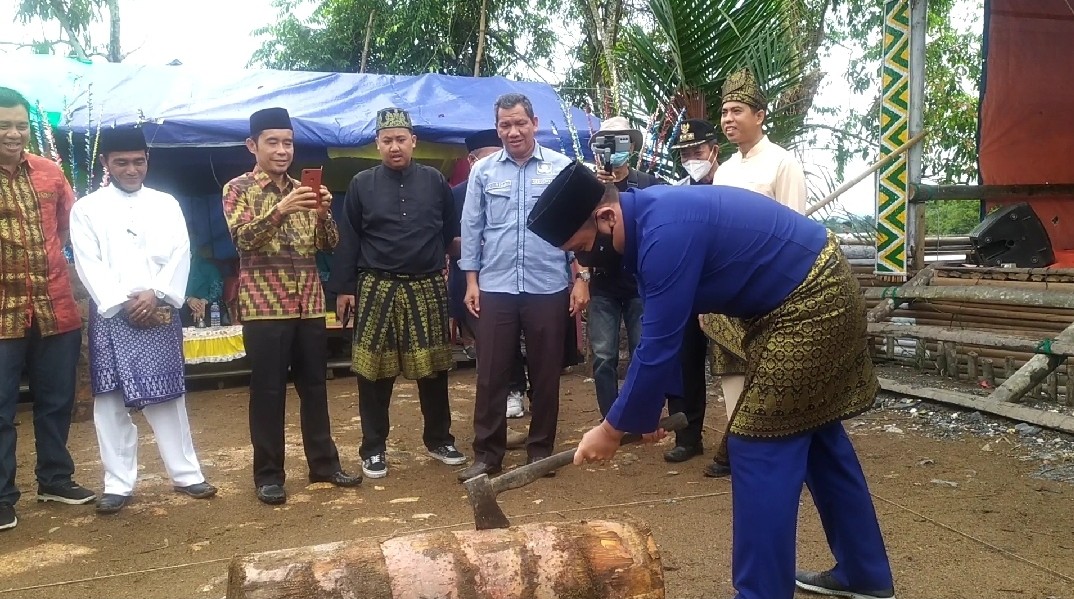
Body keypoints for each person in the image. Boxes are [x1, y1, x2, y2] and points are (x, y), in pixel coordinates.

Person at [529, 163, 895, 599]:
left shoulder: (664, 232)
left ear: (607, 218)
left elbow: (658, 343)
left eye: (583, 247)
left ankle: (761, 593)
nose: (583, 261)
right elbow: (670, 331)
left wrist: (612, 428)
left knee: (757, 445)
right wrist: (642, 414)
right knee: (816, 438)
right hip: (797, 300)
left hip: (810, 305)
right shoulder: (651, 221)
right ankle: (864, 573)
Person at [70, 126, 217, 514]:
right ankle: (117, 484)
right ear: (106, 163)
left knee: (168, 396)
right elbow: (88, 263)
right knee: (110, 401)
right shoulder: (87, 208)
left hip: (159, 309)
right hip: (112, 314)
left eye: (138, 161)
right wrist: (121, 301)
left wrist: (156, 293)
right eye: (121, 162)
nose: (131, 169)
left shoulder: (165, 203)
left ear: (147, 160)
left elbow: (180, 252)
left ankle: (186, 475)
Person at [223, 107, 360, 505]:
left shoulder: (305, 188)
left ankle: (324, 464)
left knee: (315, 388)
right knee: (267, 392)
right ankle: (268, 474)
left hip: (310, 305)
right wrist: (281, 210)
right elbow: (243, 240)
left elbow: (329, 245)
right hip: (265, 307)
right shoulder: (238, 189)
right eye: (273, 142)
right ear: (253, 145)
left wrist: (322, 212)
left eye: (288, 142)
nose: (283, 151)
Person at [455, 93, 590, 482]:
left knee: (546, 372)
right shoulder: (482, 173)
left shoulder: (562, 168)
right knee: (492, 373)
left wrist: (579, 279)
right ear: (497, 128)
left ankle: (540, 451)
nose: (512, 132)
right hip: (495, 285)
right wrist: (471, 282)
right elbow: (472, 230)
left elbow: (577, 229)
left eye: (519, 123)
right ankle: (487, 456)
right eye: (504, 125)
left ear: (534, 123)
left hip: (547, 284)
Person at [332, 108, 466, 480]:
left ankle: (439, 440)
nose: (394, 147)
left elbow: (448, 234)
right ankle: (373, 448)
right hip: (377, 285)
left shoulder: (435, 182)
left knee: (434, 369)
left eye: (401, 139)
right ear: (377, 143)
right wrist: (344, 288)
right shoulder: (361, 183)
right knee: (373, 374)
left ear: (413, 142)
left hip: (426, 285)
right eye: (387, 140)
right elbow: (350, 238)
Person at [704, 67, 809, 478]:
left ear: (760, 115)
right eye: (725, 112)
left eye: (737, 110)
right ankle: (742, 449)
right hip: (730, 291)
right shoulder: (725, 171)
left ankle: (783, 457)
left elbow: (798, 233)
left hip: (771, 290)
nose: (728, 118)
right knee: (733, 370)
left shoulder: (782, 164)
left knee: (775, 374)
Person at [0, 87, 95, 531]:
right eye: (4, 125)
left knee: (56, 400)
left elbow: (70, 229)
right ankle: (2, 496)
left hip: (55, 305)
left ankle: (55, 478)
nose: (14, 133)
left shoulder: (51, 173)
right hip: (2, 312)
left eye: (20, 124)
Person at [448, 129, 528, 448]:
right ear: (472, 160)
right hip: (470, 280)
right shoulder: (455, 195)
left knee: (508, 342)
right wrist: (471, 245)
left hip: (510, 279)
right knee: (486, 345)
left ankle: (515, 390)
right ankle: (493, 420)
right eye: (488, 155)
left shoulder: (515, 187)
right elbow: (448, 241)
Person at [584, 116, 662, 418]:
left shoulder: (647, 184)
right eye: (606, 143)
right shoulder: (587, 186)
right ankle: (610, 417)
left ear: (630, 145)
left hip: (639, 281)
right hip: (602, 282)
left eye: (620, 141)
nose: (612, 149)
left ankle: (642, 413)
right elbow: (578, 236)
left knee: (644, 349)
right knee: (604, 356)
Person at [662, 118, 720, 463]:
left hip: (729, 291)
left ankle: (742, 440)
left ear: (714, 149)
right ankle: (687, 436)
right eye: (684, 153)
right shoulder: (677, 192)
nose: (690, 158)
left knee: (736, 368)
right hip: (688, 290)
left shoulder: (733, 183)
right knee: (684, 364)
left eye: (696, 150)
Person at [184, 244, 226, 326]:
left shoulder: (210, 268)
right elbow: (172, 293)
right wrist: (189, 299)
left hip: (210, 308)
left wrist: (203, 302)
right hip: (185, 308)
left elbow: (217, 291)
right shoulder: (178, 271)